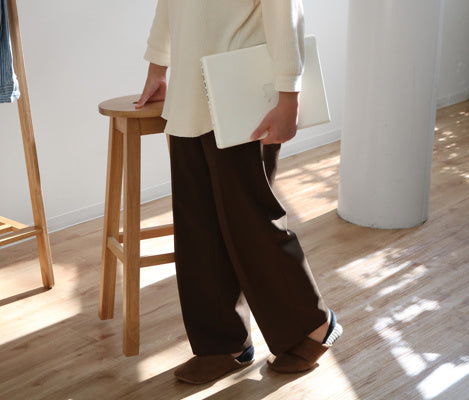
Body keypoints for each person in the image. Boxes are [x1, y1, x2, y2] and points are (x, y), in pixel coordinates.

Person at [136, 0, 342, 385]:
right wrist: (158, 66)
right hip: (188, 91)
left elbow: (284, 9)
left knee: (251, 222)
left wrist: (289, 94)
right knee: (198, 228)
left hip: (242, 92)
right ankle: (222, 343)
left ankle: (313, 326)